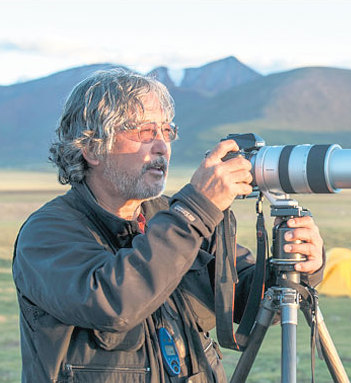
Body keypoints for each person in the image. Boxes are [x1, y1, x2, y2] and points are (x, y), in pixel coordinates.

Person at [12, 69, 324, 383]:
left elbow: (242, 300)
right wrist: (197, 209)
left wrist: (292, 265)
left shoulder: (172, 215)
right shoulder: (47, 233)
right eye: (145, 132)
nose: (162, 146)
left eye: (166, 131)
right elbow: (114, 302)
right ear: (93, 148)